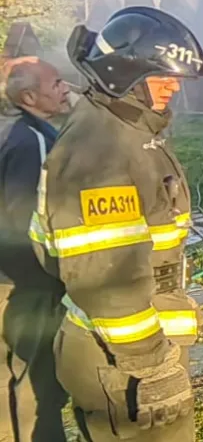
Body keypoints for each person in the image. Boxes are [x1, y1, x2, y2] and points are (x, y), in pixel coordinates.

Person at [30, 6, 203, 441]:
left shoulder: (122, 130)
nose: (172, 87)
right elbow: (106, 278)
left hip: (131, 351)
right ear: (121, 74)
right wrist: (150, 365)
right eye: (159, 76)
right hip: (123, 363)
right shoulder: (99, 152)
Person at [0, 57, 71, 441]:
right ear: (29, 95)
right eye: (57, 82)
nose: (65, 88)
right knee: (36, 388)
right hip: (22, 286)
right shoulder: (35, 141)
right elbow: (35, 222)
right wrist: (53, 280)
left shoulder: (8, 130)